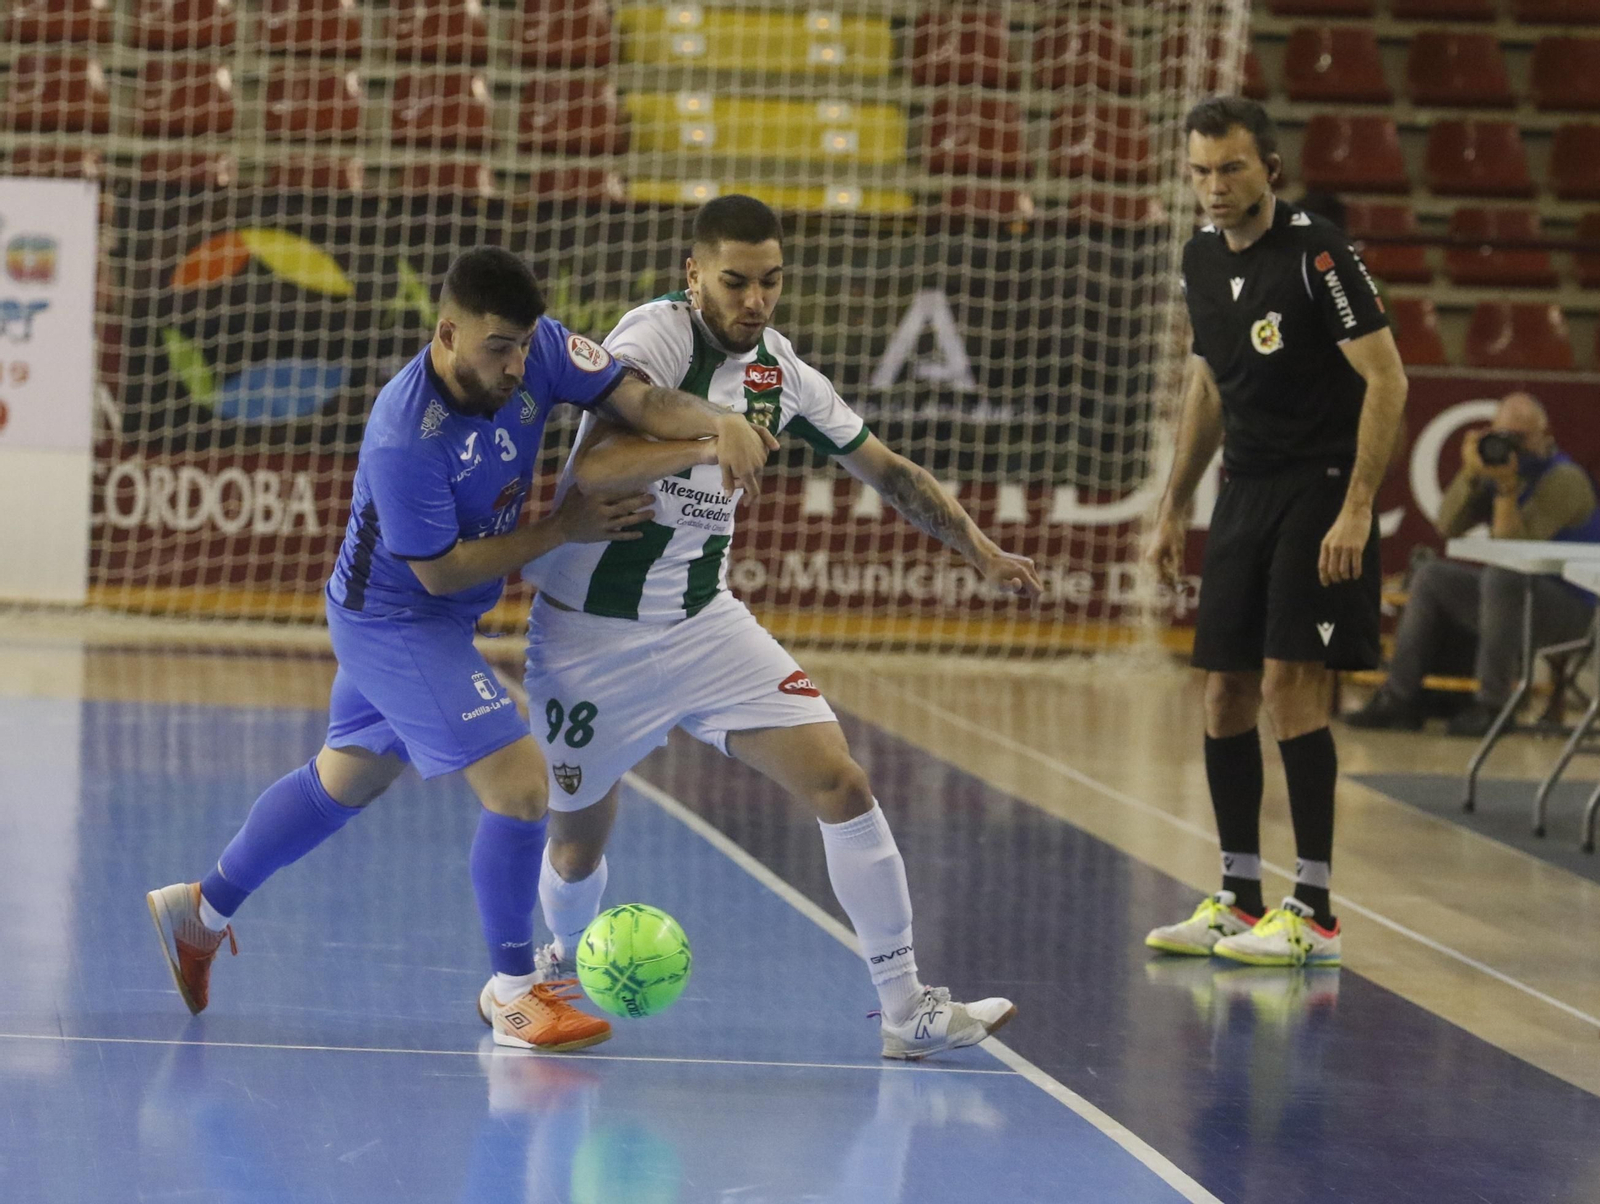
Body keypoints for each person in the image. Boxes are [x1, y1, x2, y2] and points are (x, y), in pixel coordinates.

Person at [146, 247, 780, 1052]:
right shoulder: (405, 436)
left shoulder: (540, 349)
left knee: (346, 777)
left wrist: (716, 423)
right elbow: (441, 575)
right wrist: (561, 531)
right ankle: (514, 994)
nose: (517, 366)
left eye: (523, 345)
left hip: (433, 623)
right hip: (397, 621)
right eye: (497, 348)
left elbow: (639, 397)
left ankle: (198, 912)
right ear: (447, 333)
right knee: (521, 788)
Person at [518, 195, 1042, 1060]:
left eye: (770, 282)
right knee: (575, 850)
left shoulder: (780, 374)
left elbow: (887, 469)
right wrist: (708, 440)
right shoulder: (652, 338)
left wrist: (978, 548)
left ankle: (906, 1008)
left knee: (842, 783)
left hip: (703, 626)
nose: (754, 302)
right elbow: (596, 466)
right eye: (734, 281)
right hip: (589, 639)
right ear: (694, 276)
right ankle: (555, 968)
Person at [1143, 97, 1409, 967]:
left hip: (1321, 487)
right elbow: (1210, 386)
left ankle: (1317, 911)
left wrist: (1359, 506)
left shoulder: (1318, 252)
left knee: (1293, 684)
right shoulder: (1196, 259)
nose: (1214, 188)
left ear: (1270, 170)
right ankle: (1240, 896)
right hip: (1245, 492)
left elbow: (1387, 379)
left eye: (1231, 169)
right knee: (1223, 691)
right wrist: (1176, 499)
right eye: (1201, 172)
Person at [1346, 391, 1600, 737]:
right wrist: (1470, 474)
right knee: (1431, 576)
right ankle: (1399, 698)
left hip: (1572, 607)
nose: (1512, 448)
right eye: (1502, 437)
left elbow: (1513, 553)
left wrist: (1507, 491)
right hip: (1515, 601)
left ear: (1545, 437)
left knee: (1500, 576)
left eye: (1520, 438)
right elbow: (1447, 524)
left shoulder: (1564, 481)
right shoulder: (1499, 473)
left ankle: (1492, 705)